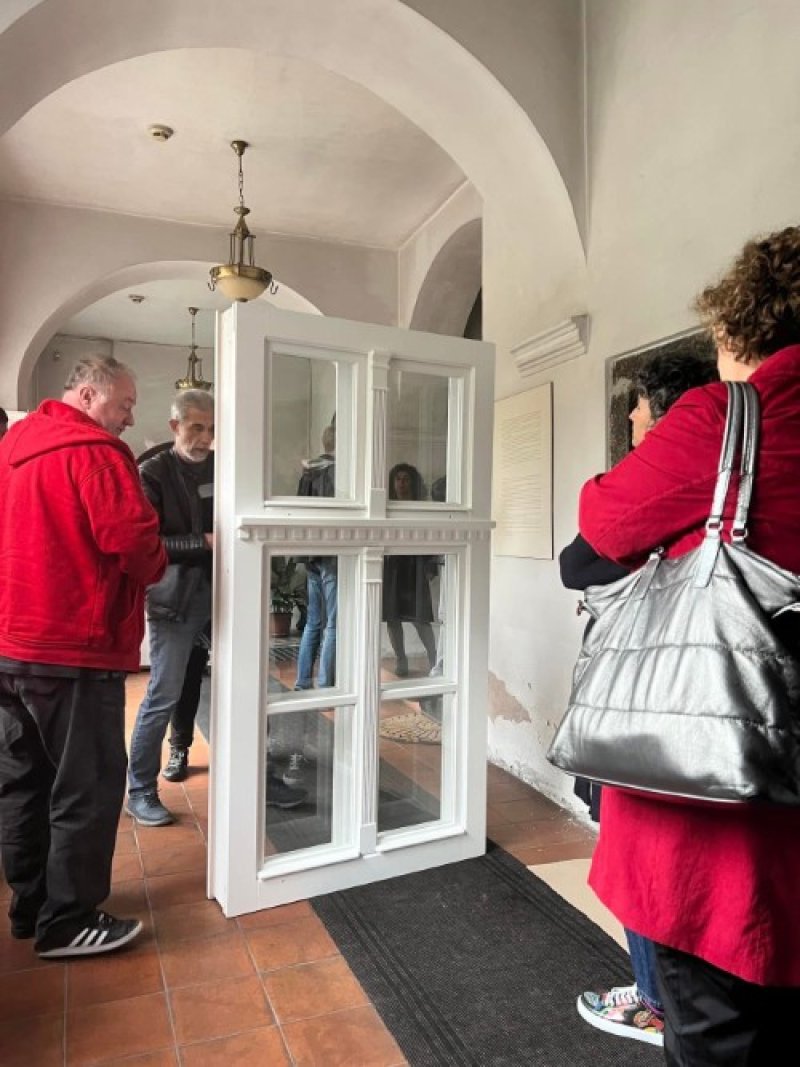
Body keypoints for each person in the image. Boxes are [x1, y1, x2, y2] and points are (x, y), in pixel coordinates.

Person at [574, 225, 800, 1066]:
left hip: (722, 827)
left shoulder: (725, 417)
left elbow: (602, 522)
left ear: (743, 324)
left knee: (717, 1034)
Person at [559, 350, 717, 1048]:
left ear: (666, 411)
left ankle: (655, 1000)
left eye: (640, 403)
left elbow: (577, 561)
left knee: (638, 843)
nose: (629, 414)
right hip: (700, 688)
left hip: (645, 687)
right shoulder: (732, 472)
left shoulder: (672, 472)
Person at [0, 356, 166, 958]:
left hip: (10, 644)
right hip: (73, 645)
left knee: (24, 780)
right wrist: (159, 562)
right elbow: (133, 541)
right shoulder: (97, 453)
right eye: (125, 405)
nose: (129, 418)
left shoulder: (13, 445)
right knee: (87, 784)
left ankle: (31, 906)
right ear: (90, 396)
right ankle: (67, 922)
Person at [126, 389, 215, 826]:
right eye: (197, 427)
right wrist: (204, 542)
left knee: (247, 688)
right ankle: (140, 791)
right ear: (175, 426)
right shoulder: (152, 472)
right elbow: (148, 544)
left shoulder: (224, 467)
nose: (206, 438)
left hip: (226, 595)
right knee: (163, 695)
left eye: (212, 428)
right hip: (175, 599)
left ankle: (260, 776)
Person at [284, 424, 337, 787]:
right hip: (334, 554)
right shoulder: (337, 472)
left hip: (313, 556)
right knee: (334, 624)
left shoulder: (309, 470)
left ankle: (304, 683)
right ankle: (327, 685)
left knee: (314, 623)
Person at [382, 463, 437, 676]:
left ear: (413, 483)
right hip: (393, 568)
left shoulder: (421, 507)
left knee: (420, 618)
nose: (402, 483)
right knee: (393, 618)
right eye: (398, 479)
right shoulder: (386, 507)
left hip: (415, 566)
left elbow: (431, 537)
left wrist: (430, 565)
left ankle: (434, 658)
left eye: (406, 479)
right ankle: (401, 659)